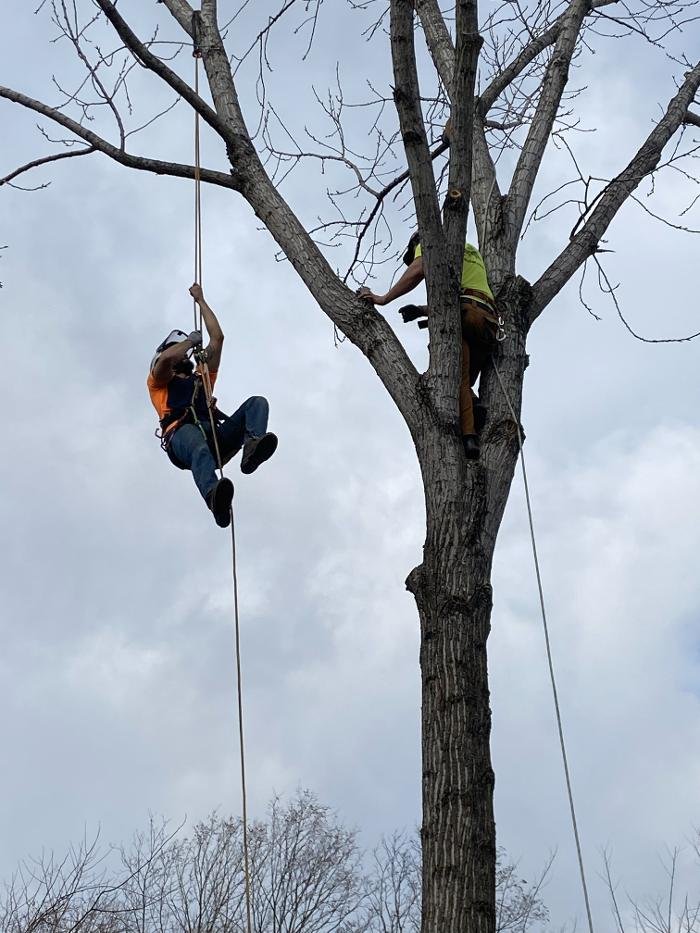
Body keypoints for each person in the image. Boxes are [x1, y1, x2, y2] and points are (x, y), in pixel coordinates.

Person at [358, 232, 499, 460]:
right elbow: (465, 293)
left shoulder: (428, 242)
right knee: (466, 385)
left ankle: (469, 438)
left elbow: (419, 268)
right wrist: (421, 311)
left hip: (465, 317)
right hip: (489, 323)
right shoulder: (468, 249)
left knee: (456, 380)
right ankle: (474, 409)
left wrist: (382, 299)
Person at [147, 284, 278, 528]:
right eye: (181, 353)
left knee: (257, 404)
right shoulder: (159, 382)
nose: (184, 358)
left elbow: (217, 339)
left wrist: (201, 301)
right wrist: (188, 343)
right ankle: (213, 495)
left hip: (214, 438)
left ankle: (252, 447)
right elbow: (166, 360)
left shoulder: (202, 378)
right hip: (182, 437)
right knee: (196, 444)